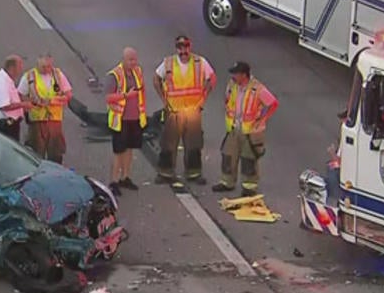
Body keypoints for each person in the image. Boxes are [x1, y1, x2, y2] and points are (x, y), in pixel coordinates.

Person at [154, 35, 216, 186]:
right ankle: (165, 173)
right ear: (176, 48)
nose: (183, 50)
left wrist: (203, 98)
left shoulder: (199, 62)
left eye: (186, 47)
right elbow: (156, 79)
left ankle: (193, 173)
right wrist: (164, 100)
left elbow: (212, 79)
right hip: (174, 112)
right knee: (168, 143)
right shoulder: (168, 63)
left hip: (193, 111)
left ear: (190, 47)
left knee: (194, 144)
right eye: (180, 47)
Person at [212, 62, 278, 197]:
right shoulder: (232, 85)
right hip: (233, 128)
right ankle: (227, 182)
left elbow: (273, 103)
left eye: (236, 73)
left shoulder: (257, 89)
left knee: (249, 160)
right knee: (228, 156)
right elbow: (227, 100)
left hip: (249, 132)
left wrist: (263, 119)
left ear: (244, 75)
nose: (233, 76)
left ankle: (249, 187)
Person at [105, 47, 147, 195]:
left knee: (130, 149)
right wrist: (125, 96)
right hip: (120, 120)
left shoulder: (138, 72)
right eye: (130, 60)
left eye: (135, 59)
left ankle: (126, 177)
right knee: (119, 151)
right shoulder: (114, 75)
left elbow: (142, 92)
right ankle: (114, 181)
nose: (133, 63)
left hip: (135, 118)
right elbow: (108, 97)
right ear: (123, 59)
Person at [18, 54, 72, 163]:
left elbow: (68, 94)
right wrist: (27, 105)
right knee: (36, 153)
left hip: (55, 121)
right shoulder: (29, 76)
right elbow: (21, 95)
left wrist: (60, 99)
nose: (47, 69)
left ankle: (55, 175)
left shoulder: (58, 74)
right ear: (37, 65)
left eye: (49, 66)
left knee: (56, 153)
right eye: (44, 67)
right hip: (37, 121)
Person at [0, 55, 30, 141]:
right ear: (12, 67)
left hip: (11, 124)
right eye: (19, 67)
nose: (21, 70)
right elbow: (4, 106)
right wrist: (23, 104)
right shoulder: (1, 82)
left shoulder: (7, 79)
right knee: (9, 151)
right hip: (7, 126)